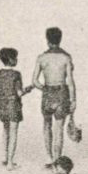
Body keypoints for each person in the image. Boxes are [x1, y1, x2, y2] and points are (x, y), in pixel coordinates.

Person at [31, 27, 75, 166]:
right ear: (60, 39)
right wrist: (73, 100)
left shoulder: (42, 58)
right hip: (62, 92)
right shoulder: (66, 57)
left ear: (47, 40)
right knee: (59, 128)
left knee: (46, 125)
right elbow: (71, 81)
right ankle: (57, 159)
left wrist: (44, 89)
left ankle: (49, 157)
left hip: (48, 93)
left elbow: (35, 81)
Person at [0, 47, 27, 169]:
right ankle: (10, 163)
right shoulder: (16, 74)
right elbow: (19, 93)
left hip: (1, 104)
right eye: (15, 58)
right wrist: (28, 89)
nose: (17, 60)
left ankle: (5, 158)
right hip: (13, 105)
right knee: (13, 132)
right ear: (11, 59)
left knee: (5, 130)